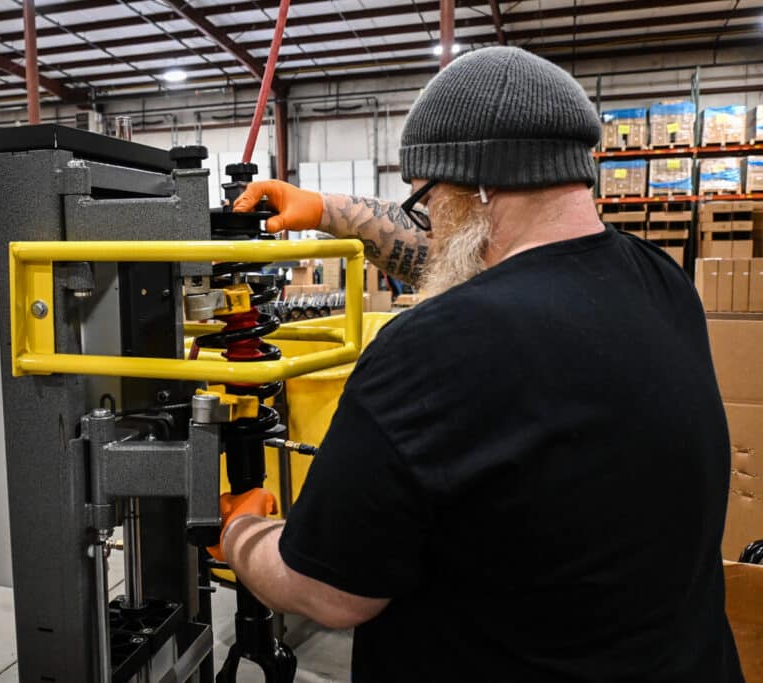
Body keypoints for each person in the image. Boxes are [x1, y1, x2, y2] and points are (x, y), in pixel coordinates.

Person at [215, 46, 743, 682]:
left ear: (479, 187)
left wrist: (243, 531)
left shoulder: (432, 350)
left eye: (426, 200)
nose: (427, 222)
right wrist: (325, 208)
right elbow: (468, 254)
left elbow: (327, 592)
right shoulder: (662, 283)